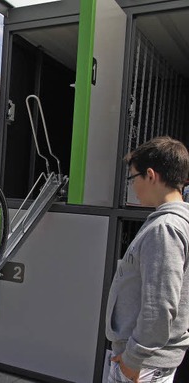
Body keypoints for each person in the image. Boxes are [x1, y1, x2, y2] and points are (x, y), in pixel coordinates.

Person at [105, 136, 189, 383]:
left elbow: (160, 307)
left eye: (133, 178)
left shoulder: (165, 228)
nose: (132, 186)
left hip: (144, 364)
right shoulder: (174, 223)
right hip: (147, 360)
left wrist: (133, 359)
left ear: (150, 175)